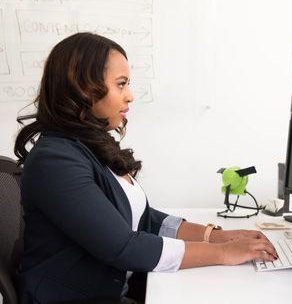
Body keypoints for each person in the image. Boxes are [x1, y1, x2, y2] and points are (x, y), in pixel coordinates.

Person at [14, 32, 277, 304]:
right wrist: (224, 254)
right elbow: (123, 247)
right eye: (121, 84)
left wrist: (217, 237)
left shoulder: (89, 145)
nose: (130, 96)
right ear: (84, 88)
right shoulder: (55, 161)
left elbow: (146, 220)